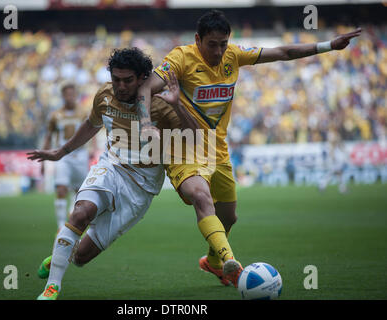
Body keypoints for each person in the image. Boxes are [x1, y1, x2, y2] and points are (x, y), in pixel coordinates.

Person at [135, 10, 362, 287]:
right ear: (198, 39)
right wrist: (146, 123)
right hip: (182, 144)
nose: (219, 51)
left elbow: (283, 52)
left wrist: (328, 45)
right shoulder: (181, 58)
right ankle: (232, 263)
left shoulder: (234, 55)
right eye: (212, 44)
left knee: (229, 216)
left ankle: (214, 262)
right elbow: (145, 87)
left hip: (216, 148)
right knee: (200, 196)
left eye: (223, 43)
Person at [27, 47, 198, 300]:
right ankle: (52, 288)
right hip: (111, 167)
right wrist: (60, 153)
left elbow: (194, 139)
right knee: (81, 212)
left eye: (127, 80)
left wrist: (179, 106)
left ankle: (58, 256)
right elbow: (91, 125)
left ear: (142, 79)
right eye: (116, 79)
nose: (120, 86)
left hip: (142, 187)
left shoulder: (161, 103)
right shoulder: (105, 95)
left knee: (82, 257)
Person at [41, 83, 90, 231]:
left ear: (76, 95)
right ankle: (61, 225)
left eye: (72, 94)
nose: (70, 97)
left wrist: (93, 150)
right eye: (67, 94)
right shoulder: (55, 115)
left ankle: (72, 219)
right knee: (61, 189)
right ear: (63, 96)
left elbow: (90, 131)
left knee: (79, 192)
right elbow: (49, 137)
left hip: (81, 155)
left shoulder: (83, 113)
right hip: (64, 156)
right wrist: (43, 160)